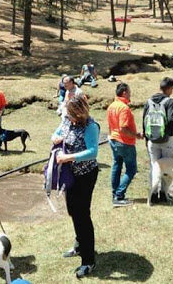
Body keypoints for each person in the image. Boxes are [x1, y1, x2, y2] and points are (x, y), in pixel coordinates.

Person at [51, 95, 99, 278]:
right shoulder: (66, 121)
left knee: (82, 216)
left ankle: (88, 261)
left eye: (70, 114)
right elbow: (56, 133)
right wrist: (55, 138)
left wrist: (70, 157)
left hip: (85, 176)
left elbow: (93, 152)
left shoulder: (91, 126)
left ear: (79, 113)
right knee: (73, 211)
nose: (67, 117)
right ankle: (80, 245)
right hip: (70, 175)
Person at [143, 77, 173, 203]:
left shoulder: (148, 101)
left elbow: (144, 120)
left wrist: (147, 139)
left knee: (155, 167)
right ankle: (163, 194)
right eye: (172, 88)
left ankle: (152, 196)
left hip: (152, 140)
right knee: (168, 168)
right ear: (169, 88)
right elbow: (172, 121)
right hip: (167, 141)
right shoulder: (170, 102)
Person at [107, 83, 144, 207]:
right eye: (129, 91)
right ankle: (119, 195)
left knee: (117, 166)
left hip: (113, 139)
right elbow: (123, 128)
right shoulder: (123, 108)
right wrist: (136, 135)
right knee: (131, 169)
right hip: (124, 142)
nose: (130, 94)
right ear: (124, 93)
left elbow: (111, 125)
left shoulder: (112, 105)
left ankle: (115, 194)